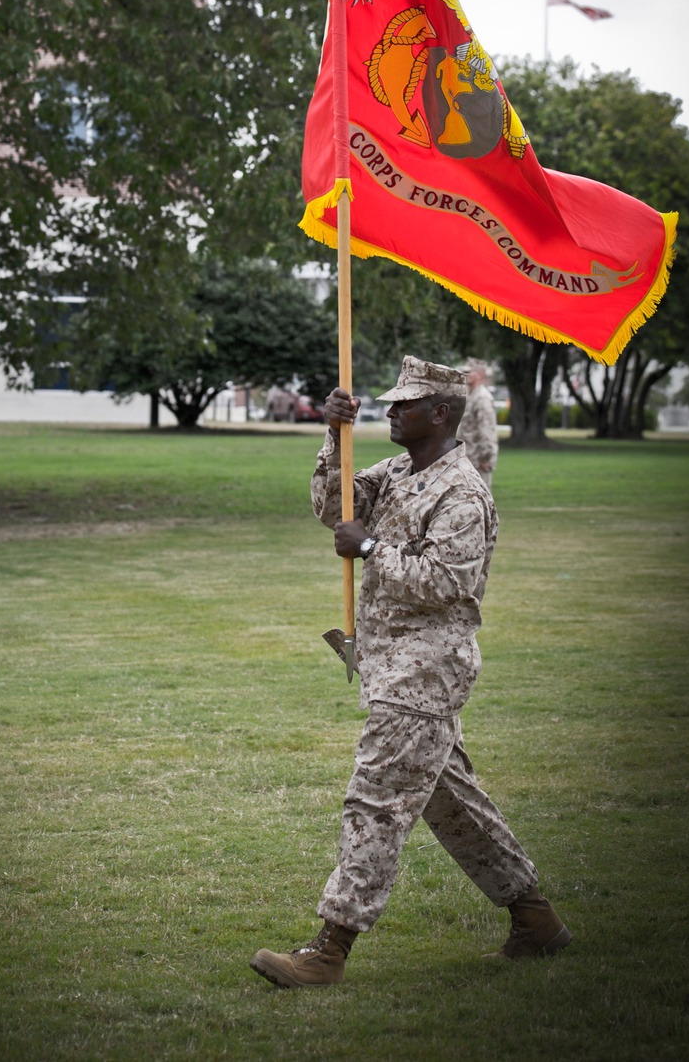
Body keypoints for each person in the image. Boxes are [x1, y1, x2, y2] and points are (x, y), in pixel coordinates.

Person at [250, 356, 570, 989]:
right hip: (391, 666)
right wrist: (334, 435)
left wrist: (369, 548)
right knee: (455, 806)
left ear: (442, 413)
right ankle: (536, 922)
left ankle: (329, 950)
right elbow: (330, 506)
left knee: (376, 800)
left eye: (406, 404)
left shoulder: (462, 491)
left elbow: (447, 584)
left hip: (426, 675)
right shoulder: (397, 472)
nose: (393, 412)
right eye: (390, 404)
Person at [459, 358, 499, 489]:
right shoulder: (471, 395)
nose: (465, 375)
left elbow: (487, 430)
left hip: (479, 461)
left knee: (481, 500)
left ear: (480, 374)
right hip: (469, 459)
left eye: (469, 372)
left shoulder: (482, 398)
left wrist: (486, 457)